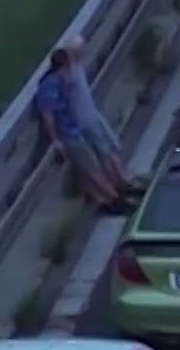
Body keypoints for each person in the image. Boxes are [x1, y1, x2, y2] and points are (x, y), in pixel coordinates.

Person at [35, 49, 134, 214]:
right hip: (69, 136)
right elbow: (48, 116)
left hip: (74, 130)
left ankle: (101, 200)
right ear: (64, 66)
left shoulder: (60, 81)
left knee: (86, 170)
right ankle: (116, 200)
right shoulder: (49, 87)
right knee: (92, 169)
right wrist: (56, 140)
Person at [65, 33, 145, 198]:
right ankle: (121, 184)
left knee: (110, 149)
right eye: (81, 49)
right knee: (105, 152)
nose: (84, 51)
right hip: (86, 120)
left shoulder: (76, 67)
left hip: (93, 115)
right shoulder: (70, 72)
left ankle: (123, 180)